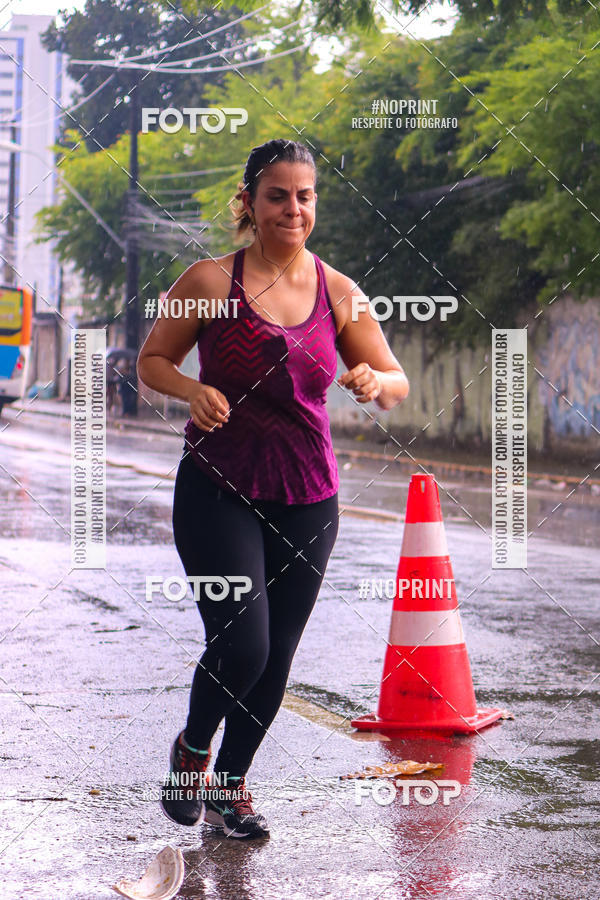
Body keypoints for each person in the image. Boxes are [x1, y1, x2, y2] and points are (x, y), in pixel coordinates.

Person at [137, 139, 409, 840]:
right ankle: (192, 750)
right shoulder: (207, 281)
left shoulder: (339, 291)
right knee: (243, 644)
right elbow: (153, 361)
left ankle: (230, 790)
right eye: (278, 195)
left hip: (309, 496)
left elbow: (393, 379)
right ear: (250, 204)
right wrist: (193, 389)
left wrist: (376, 382)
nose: (293, 208)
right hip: (218, 487)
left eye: (305, 196)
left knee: (276, 658)